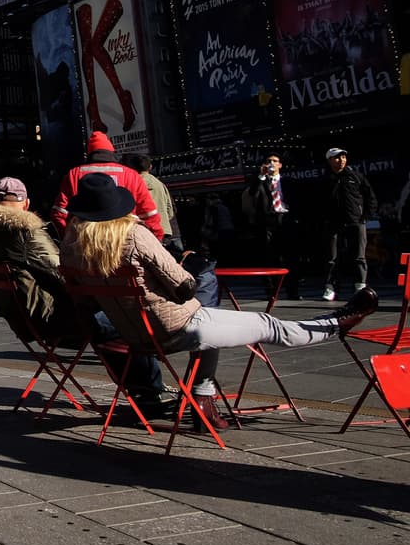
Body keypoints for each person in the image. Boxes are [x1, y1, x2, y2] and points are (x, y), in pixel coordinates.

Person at [59, 173, 379, 430]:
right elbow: (182, 287)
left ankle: (203, 398)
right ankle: (336, 324)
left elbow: (82, 300)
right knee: (267, 324)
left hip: (134, 336)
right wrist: (191, 271)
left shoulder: (72, 249)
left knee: (212, 321)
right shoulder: (134, 235)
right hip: (178, 327)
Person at [0, 176, 170, 411]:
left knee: (110, 322)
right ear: (26, 203)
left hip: (22, 316)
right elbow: (63, 274)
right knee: (121, 321)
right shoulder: (27, 232)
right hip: (50, 318)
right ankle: (148, 393)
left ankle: (143, 389)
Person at [51, 131, 163, 241]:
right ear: (112, 151)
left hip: (88, 244)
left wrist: (72, 240)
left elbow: (59, 213)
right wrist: (154, 240)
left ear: (89, 152)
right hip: (124, 241)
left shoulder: (74, 174)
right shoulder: (131, 175)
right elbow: (149, 214)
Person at [320, 147, 378, 301]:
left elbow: (370, 196)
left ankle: (360, 285)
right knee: (332, 257)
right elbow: (318, 202)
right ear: (330, 160)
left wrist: (365, 216)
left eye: (344, 157)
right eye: (337, 157)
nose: (341, 160)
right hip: (333, 222)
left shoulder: (355, 176)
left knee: (359, 255)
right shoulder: (325, 179)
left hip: (355, 221)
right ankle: (330, 287)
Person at [242, 152, 300, 299]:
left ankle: (293, 291)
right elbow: (253, 193)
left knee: (289, 258)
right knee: (268, 258)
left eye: (275, 161)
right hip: (267, 223)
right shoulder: (259, 182)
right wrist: (261, 176)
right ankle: (271, 292)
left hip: (285, 220)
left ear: (280, 165)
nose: (272, 163)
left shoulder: (288, 182)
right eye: (269, 161)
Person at [123, 153, 181, 252]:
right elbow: (170, 209)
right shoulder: (160, 184)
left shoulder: (132, 183)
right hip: (163, 229)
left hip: (142, 231)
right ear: (150, 167)